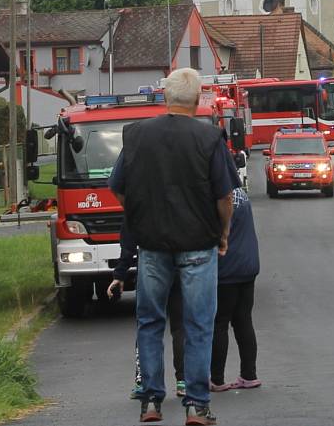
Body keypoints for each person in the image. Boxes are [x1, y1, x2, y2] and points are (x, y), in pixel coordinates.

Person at [109, 68, 238, 426]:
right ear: (197, 101)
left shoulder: (137, 136)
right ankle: (196, 406)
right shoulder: (210, 138)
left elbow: (117, 186)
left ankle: (150, 401)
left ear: (165, 99)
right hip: (199, 244)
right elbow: (224, 196)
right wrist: (222, 232)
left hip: (151, 245)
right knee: (198, 324)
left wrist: (139, 214)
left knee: (150, 322)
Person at [107, 221, 186, 400]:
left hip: (152, 266)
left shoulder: (139, 195)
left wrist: (119, 275)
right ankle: (184, 381)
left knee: (148, 326)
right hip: (181, 264)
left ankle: (145, 382)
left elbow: (128, 242)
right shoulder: (181, 193)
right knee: (181, 326)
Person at [210, 186, 261, 392]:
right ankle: (249, 375)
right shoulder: (241, 193)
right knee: (243, 320)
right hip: (248, 264)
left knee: (220, 323)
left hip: (226, 267)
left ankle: (217, 379)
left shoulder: (220, 197)